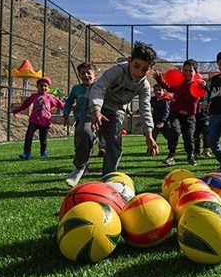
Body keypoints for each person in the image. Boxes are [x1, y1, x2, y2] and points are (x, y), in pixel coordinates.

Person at [66, 41, 159, 187]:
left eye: (144, 69)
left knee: (115, 142)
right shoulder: (116, 71)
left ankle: (108, 179)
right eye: (136, 66)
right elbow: (98, 88)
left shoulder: (144, 85)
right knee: (85, 132)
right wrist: (96, 110)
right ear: (129, 60)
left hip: (115, 111)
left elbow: (145, 108)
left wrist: (149, 134)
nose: (139, 73)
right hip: (95, 105)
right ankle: (79, 168)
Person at [153, 59, 201, 166]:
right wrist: (160, 80)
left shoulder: (198, 85)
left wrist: (205, 86)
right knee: (174, 130)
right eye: (185, 70)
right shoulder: (179, 83)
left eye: (190, 71)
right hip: (176, 113)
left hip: (189, 115)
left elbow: (207, 90)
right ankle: (171, 155)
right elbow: (169, 87)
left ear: (195, 73)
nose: (187, 73)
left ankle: (190, 155)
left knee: (189, 136)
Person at [11, 76, 64, 160]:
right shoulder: (34, 96)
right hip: (34, 120)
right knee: (29, 135)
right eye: (41, 85)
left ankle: (43, 151)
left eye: (45, 86)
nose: (43, 87)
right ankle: (27, 153)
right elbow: (25, 104)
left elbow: (60, 105)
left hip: (46, 120)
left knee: (43, 138)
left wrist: (73, 107)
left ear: (48, 88)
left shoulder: (50, 97)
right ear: (37, 87)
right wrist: (16, 110)